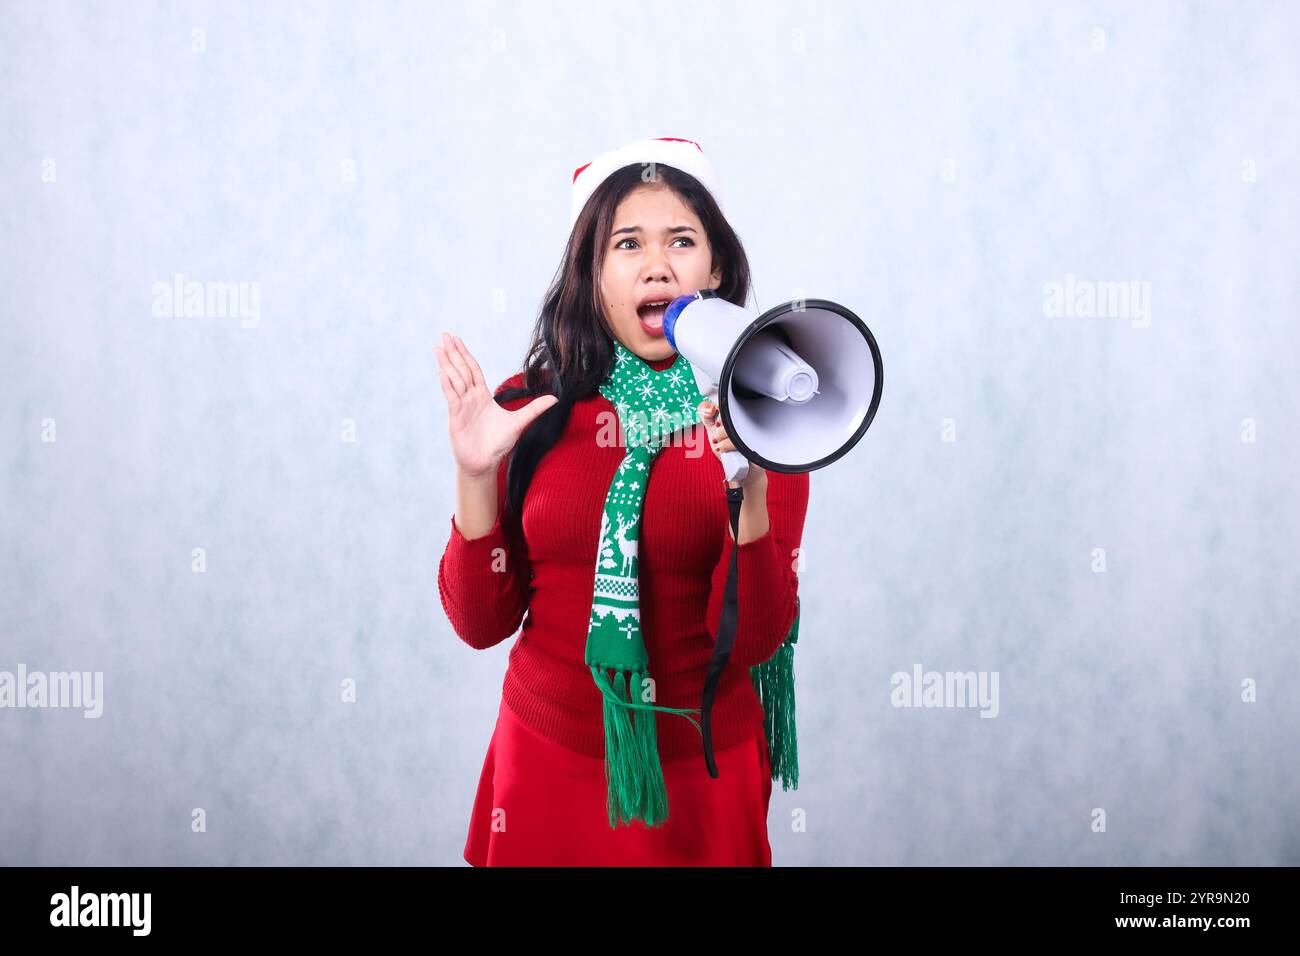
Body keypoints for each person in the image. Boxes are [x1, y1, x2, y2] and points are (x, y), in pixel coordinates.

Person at [434, 137, 809, 866]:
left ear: (716, 267)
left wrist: (750, 487)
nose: (657, 265)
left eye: (682, 241)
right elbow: (481, 625)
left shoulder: (767, 419)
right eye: (627, 245)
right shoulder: (527, 408)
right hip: (546, 761)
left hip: (698, 776)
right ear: (594, 274)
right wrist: (475, 473)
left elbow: (754, 640)